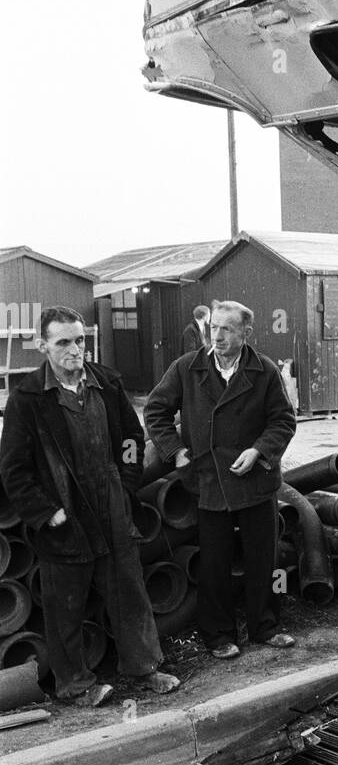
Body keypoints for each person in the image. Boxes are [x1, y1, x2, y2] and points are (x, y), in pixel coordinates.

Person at [0, 306, 180, 705]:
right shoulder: (28, 399)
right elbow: (13, 469)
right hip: (64, 515)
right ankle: (76, 685)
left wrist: (128, 485)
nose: (75, 349)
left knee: (129, 591)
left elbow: (132, 439)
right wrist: (47, 513)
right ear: (42, 345)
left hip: (112, 505)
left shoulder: (107, 383)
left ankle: (145, 668)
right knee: (66, 606)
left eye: (80, 340)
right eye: (63, 341)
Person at [145, 300, 296, 660]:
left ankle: (266, 626)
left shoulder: (265, 370)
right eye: (214, 327)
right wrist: (176, 451)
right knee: (215, 562)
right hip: (209, 480)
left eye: (228, 328)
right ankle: (217, 634)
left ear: (246, 332)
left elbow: (283, 420)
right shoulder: (187, 368)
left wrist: (259, 451)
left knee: (264, 558)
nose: (219, 336)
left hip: (255, 479)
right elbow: (156, 410)